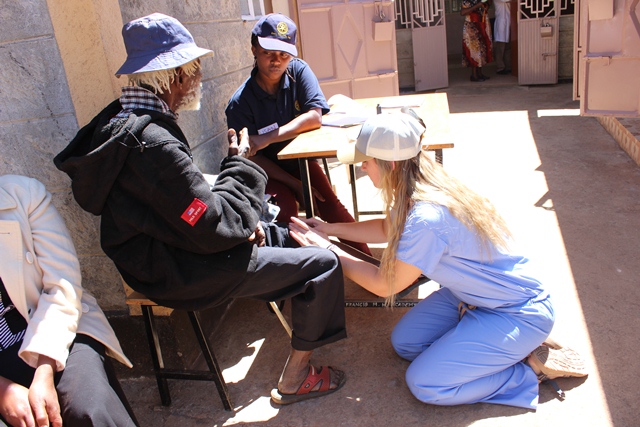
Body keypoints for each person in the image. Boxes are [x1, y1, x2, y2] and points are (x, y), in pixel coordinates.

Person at [53, 13, 346, 405]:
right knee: (323, 265)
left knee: (288, 231)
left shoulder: (121, 118)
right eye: (195, 69)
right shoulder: (153, 142)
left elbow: (181, 204)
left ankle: (298, 312)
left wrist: (243, 222)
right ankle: (296, 378)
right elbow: (210, 224)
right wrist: (239, 163)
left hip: (159, 256)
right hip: (176, 271)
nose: (199, 78)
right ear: (176, 76)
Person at [288, 112, 588, 409]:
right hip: (472, 297)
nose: (363, 167)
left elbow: (385, 285)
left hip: (516, 311)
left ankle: (527, 369)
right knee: (405, 343)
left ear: (391, 164)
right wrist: (329, 229)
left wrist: (329, 250)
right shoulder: (418, 186)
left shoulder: (427, 217)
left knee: (426, 384)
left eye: (366, 161)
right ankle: (495, 347)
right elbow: (386, 228)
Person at [225, 13, 371, 256]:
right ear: (254, 50)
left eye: (284, 54)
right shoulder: (240, 104)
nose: (277, 61)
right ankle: (300, 267)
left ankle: (366, 262)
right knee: (285, 211)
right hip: (265, 171)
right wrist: (295, 185)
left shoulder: (298, 71)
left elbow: (314, 116)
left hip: (300, 160)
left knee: (328, 204)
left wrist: (267, 138)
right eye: (268, 53)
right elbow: (251, 157)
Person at [0, 174, 137, 427]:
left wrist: (45, 370)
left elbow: (63, 285)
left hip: (53, 329)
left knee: (89, 407)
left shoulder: (23, 195)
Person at [461, 0, 494, 82]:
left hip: (482, 26)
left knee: (482, 50)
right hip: (472, 27)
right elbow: (463, 12)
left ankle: (480, 73)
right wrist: (478, 5)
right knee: (474, 50)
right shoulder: (467, 1)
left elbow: (487, 7)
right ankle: (474, 75)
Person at [494, 0, 513, 75]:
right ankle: (500, 67)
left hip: (509, 22)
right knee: (500, 47)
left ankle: (508, 67)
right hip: (501, 23)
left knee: (508, 47)